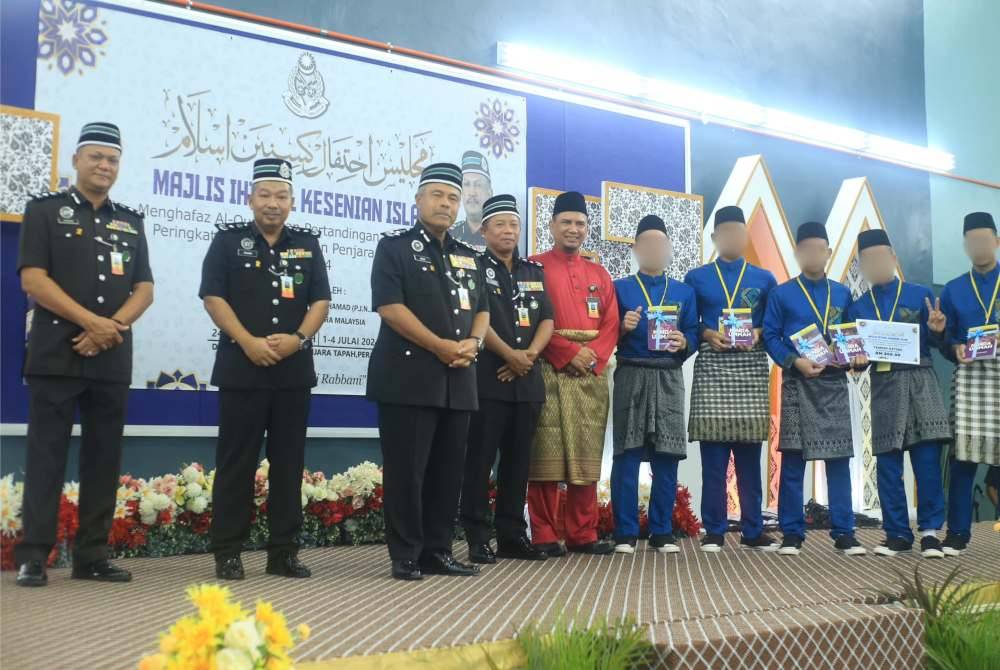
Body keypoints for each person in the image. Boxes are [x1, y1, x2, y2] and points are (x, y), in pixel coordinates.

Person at [15, 122, 154, 587]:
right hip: (56, 352)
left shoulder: (129, 221)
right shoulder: (45, 211)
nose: (104, 166)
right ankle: (33, 555)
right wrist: (90, 322)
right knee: (46, 456)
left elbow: (144, 289)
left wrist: (109, 328)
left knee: (103, 457)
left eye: (112, 159)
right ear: (76, 160)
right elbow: (33, 280)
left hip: (110, 355)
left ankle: (92, 555)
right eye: (96, 157)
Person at [199, 158, 331, 580]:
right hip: (243, 368)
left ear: (292, 201)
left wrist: (299, 339)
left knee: (289, 463)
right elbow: (213, 298)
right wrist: (247, 341)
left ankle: (283, 552)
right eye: (265, 195)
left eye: (281, 196)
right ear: (250, 198)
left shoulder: (307, 244)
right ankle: (228, 551)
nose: (273, 203)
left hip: (293, 372)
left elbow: (320, 302)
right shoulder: (227, 241)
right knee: (237, 462)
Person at [367, 163, 490, 580]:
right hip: (408, 379)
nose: (445, 203)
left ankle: (438, 550)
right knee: (407, 471)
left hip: (459, 378)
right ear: (418, 200)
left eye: (452, 197)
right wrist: (440, 347)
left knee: (448, 472)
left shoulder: (468, 255)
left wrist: (473, 344)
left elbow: (484, 310)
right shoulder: (395, 248)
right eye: (436, 195)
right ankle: (405, 553)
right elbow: (390, 308)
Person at [763, 222, 867, 556]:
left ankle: (844, 532)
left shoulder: (842, 293)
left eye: (818, 249)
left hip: (834, 383)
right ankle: (792, 533)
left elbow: (850, 336)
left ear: (828, 252)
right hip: (798, 381)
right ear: (797, 252)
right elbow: (770, 336)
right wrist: (794, 361)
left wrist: (856, 358)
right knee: (793, 461)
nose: (812, 254)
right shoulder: (782, 293)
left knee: (838, 460)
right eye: (805, 249)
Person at [847, 228, 950, 558]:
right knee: (888, 464)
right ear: (862, 266)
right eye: (868, 260)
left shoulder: (920, 295)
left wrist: (938, 331)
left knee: (927, 461)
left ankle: (932, 532)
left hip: (920, 380)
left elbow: (938, 343)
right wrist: (857, 360)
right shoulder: (859, 306)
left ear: (893, 258)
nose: (876, 264)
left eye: (881, 257)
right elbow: (857, 359)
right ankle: (896, 534)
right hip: (885, 385)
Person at [460, 194, 552, 564]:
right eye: (500, 224)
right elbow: (473, 319)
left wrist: (528, 356)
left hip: (527, 381)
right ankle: (478, 538)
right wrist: (509, 355)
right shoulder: (472, 267)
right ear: (484, 230)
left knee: (518, 463)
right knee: (479, 462)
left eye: (514, 224)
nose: (509, 231)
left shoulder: (533, 271)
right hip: (488, 379)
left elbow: (547, 319)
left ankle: (513, 535)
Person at [526, 191, 619, 556]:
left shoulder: (599, 273)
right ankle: (545, 534)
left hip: (590, 374)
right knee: (544, 451)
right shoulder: (533, 267)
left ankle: (583, 533)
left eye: (580, 223)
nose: (573, 229)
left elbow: (611, 323)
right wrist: (566, 352)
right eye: (566, 222)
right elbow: (529, 320)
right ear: (551, 226)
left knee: (587, 451)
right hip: (547, 367)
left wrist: (592, 356)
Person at [684, 205, 779, 553]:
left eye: (739, 233)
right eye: (725, 233)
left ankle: (753, 529)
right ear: (715, 237)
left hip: (750, 366)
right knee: (713, 455)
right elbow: (685, 324)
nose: (733, 239)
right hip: (713, 365)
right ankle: (714, 529)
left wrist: (756, 332)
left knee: (749, 456)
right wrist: (708, 334)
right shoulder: (697, 278)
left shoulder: (764, 279)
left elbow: (772, 325)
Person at [610, 215, 698, 554]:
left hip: (668, 376)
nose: (653, 249)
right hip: (631, 372)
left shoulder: (683, 292)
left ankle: (662, 530)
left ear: (669, 249)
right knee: (627, 454)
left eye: (660, 243)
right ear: (635, 248)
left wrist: (683, 341)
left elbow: (693, 332)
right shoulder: (619, 288)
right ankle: (625, 532)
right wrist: (622, 326)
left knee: (668, 455)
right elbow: (607, 334)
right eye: (646, 243)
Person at [938, 211, 999, 555]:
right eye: (972, 240)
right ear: (965, 245)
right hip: (972, 377)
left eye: (984, 239)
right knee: (963, 457)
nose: (978, 245)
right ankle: (957, 532)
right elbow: (945, 340)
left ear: (996, 241)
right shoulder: (953, 289)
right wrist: (948, 342)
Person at [450, 150, 492, 249]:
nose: (472, 193)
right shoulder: (449, 235)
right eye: (467, 184)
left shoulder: (499, 236)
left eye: (478, 185)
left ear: (490, 193)